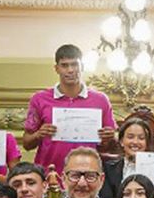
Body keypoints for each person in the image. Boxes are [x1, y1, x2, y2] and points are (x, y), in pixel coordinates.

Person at [22, 45, 116, 180]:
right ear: (56, 69)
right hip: (49, 176)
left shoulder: (101, 100)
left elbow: (109, 146)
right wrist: (39, 134)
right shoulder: (39, 99)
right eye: (65, 65)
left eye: (74, 64)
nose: (70, 70)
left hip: (87, 177)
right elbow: (26, 143)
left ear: (82, 66)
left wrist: (109, 137)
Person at [101, 115, 154, 198]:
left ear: (147, 143)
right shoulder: (108, 168)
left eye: (141, 138)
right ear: (122, 141)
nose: (135, 142)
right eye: (130, 137)